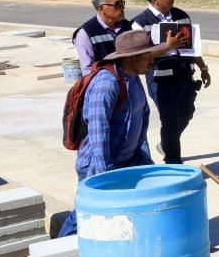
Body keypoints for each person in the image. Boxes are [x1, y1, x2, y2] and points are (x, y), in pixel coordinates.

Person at [58, 30, 168, 236]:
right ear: (132, 58)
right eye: (147, 56)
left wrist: (142, 159)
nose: (151, 61)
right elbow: (98, 130)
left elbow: (139, 121)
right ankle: (57, 252)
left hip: (129, 160)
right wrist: (104, 177)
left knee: (150, 198)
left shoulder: (133, 78)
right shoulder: (106, 83)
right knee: (86, 213)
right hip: (100, 165)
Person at [130, 0, 211, 164]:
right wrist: (166, 47)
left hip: (184, 76)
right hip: (160, 81)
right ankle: (174, 164)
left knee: (187, 113)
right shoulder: (140, 24)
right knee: (170, 122)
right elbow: (139, 56)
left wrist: (203, 67)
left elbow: (193, 47)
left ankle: (166, 144)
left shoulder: (181, 16)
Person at [73, 0, 132, 75]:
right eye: (117, 4)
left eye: (122, 3)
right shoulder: (86, 33)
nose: (122, 8)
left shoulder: (127, 26)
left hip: (132, 84)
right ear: (101, 8)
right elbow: (88, 71)